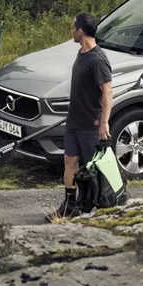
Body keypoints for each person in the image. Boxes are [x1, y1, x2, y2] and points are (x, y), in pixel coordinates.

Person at [52, 12, 113, 221]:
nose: (71, 31)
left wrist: (104, 123)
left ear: (80, 31)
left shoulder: (98, 59)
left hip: (90, 124)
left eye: (73, 27)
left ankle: (102, 207)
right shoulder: (81, 53)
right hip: (73, 122)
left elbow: (107, 92)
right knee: (69, 160)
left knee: (93, 167)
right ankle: (70, 206)